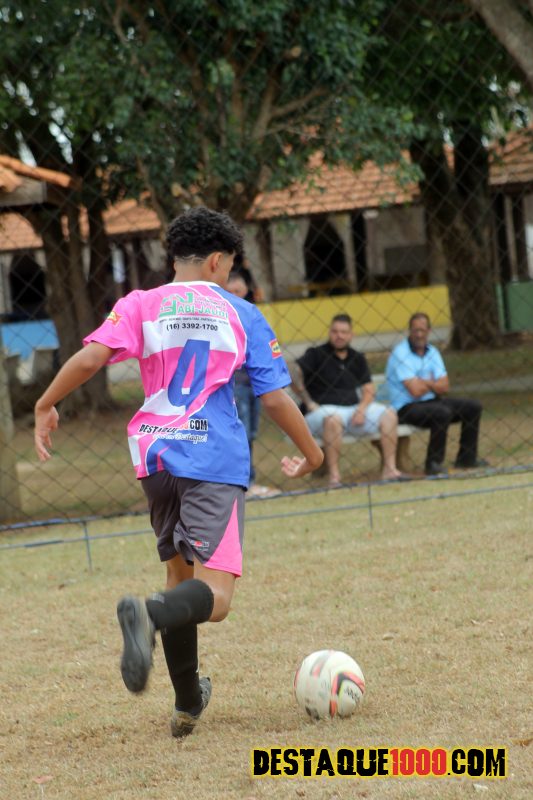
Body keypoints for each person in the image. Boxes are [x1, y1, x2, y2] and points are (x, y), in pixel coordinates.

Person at [34, 207, 323, 738]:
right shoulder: (241, 312)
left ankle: (188, 702)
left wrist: (46, 403)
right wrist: (314, 454)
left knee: (178, 578)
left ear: (175, 258)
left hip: (156, 457)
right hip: (212, 459)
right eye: (230, 265)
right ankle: (148, 615)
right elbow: (275, 399)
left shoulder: (140, 304)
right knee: (217, 598)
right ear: (217, 261)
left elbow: (91, 359)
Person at [290, 313, 406, 486]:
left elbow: (369, 390)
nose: (339, 336)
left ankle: (390, 469)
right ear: (330, 332)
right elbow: (292, 372)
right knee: (333, 419)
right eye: (335, 331)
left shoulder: (357, 357)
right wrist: (309, 402)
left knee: (389, 414)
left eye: (344, 332)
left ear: (351, 335)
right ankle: (335, 478)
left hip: (353, 410)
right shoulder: (316, 354)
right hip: (322, 412)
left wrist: (361, 409)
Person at [385, 312, 487, 476]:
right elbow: (414, 391)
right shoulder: (400, 353)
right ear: (410, 331)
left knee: (473, 407)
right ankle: (433, 463)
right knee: (441, 412)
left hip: (431, 401)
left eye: (422, 330)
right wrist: (433, 383)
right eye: (415, 330)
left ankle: (466, 459)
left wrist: (423, 382)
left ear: (429, 331)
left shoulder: (432, 352)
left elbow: (445, 386)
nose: (419, 334)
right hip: (405, 407)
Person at [226, 270, 278, 498]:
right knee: (242, 434)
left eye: (239, 289)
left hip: (252, 383)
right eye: (231, 290)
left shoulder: (251, 313)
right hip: (233, 384)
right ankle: (244, 482)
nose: (236, 294)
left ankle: (245, 481)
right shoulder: (223, 316)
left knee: (250, 434)